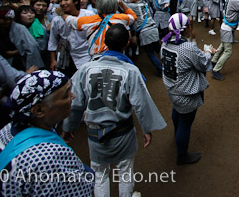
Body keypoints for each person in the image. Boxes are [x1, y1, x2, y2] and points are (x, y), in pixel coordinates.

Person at [63, 25, 166, 197]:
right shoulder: (131, 71)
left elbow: (75, 103)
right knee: (125, 170)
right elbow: (140, 104)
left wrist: (68, 127)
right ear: (126, 43)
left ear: (104, 42)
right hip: (122, 131)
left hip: (95, 133)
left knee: (100, 173)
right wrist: (147, 129)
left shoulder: (86, 69)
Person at [0, 70, 94, 196]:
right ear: (39, 110)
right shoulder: (51, 157)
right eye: (65, 95)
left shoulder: (8, 130)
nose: (72, 96)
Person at [160, 13, 215, 165]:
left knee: (177, 112)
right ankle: (182, 155)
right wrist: (208, 53)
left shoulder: (164, 43)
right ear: (186, 29)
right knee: (186, 122)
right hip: (185, 91)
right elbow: (203, 64)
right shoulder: (188, 47)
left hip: (172, 87)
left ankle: (177, 133)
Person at [63, 0, 137, 57]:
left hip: (97, 58)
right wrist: (121, 3)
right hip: (116, 56)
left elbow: (72, 21)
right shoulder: (122, 18)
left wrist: (63, 14)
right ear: (115, 7)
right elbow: (133, 16)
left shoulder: (89, 20)